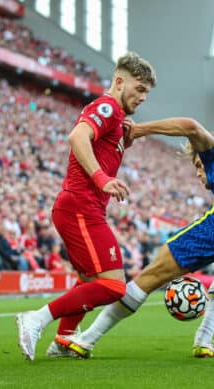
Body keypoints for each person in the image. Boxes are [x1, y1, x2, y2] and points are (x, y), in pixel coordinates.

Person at [52, 117, 214, 359]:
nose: (200, 174)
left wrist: (139, 131)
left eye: (199, 166)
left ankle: (85, 340)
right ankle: (204, 341)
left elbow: (190, 126)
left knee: (153, 274)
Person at [15, 52, 157, 361]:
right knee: (114, 287)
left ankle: (63, 342)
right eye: (140, 88)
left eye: (147, 91)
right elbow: (77, 135)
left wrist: (124, 142)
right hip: (80, 206)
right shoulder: (106, 107)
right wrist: (101, 177)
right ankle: (36, 318)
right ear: (119, 82)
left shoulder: (117, 119)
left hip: (81, 208)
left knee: (90, 281)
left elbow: (98, 144)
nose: (143, 97)